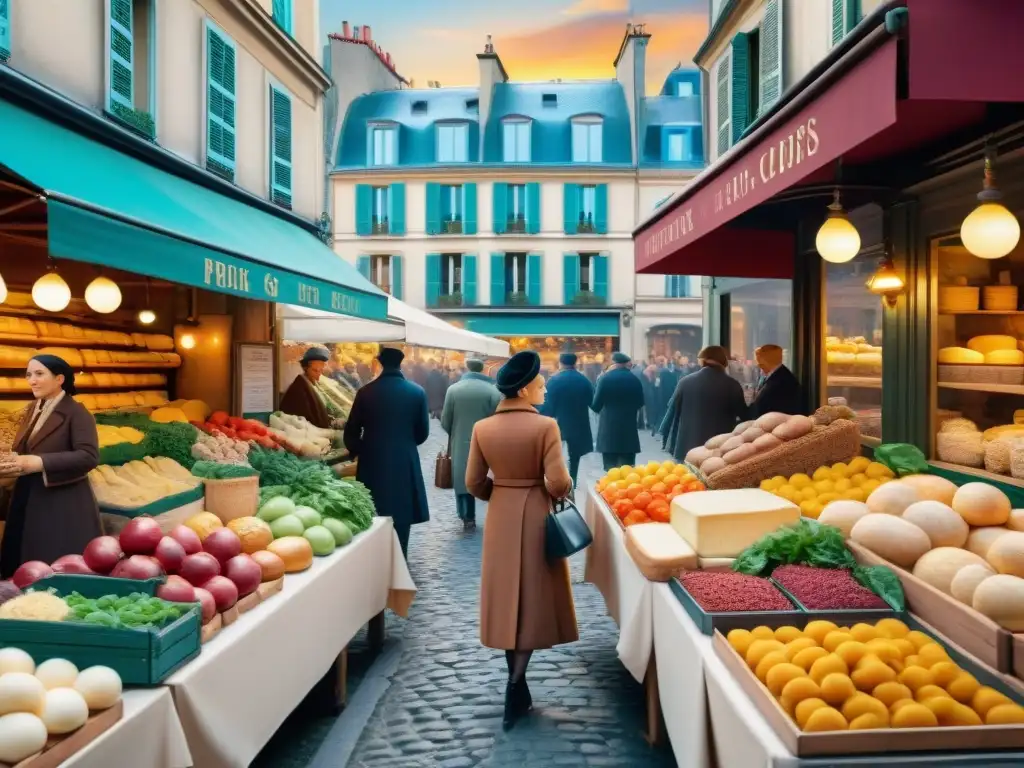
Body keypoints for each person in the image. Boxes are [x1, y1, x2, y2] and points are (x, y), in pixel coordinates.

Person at [465, 350, 576, 731]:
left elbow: (473, 482)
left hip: (500, 513)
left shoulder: (483, 428)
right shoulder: (546, 427)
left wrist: (499, 492)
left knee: (506, 597)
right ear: (527, 388)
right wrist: (557, 488)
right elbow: (558, 482)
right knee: (530, 597)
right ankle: (516, 683)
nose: (544, 391)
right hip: (535, 512)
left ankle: (517, 681)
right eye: (541, 385)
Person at [0, 355, 101, 578]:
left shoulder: (77, 413)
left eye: (39, 374)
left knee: (53, 565)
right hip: (27, 494)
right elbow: (28, 447)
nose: (32, 381)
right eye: (28, 375)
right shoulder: (33, 409)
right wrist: (12, 459)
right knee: (22, 561)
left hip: (61, 502)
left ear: (59, 379)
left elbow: (89, 456)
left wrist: (40, 462)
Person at [343, 347, 430, 559]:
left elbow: (351, 430)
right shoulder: (417, 392)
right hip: (404, 458)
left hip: (373, 459)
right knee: (402, 511)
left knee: (374, 508)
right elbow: (423, 432)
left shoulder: (365, 392)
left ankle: (376, 558)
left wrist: (362, 448)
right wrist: (405, 444)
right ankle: (400, 556)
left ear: (380, 363)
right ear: (401, 363)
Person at [441, 359, 500, 532]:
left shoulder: (453, 390)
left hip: (461, 441)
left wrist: (456, 432)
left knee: (462, 478)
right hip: (487, 441)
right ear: (482, 370)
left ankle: (467, 515)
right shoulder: (492, 390)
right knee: (486, 475)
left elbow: (445, 421)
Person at [670, 345, 749, 460]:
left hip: (688, 449)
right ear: (724, 362)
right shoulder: (732, 385)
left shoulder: (685, 382)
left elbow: (673, 409)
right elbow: (744, 415)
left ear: (703, 361)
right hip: (718, 450)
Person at [540, 353, 594, 490]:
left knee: (555, 453)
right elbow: (592, 402)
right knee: (574, 456)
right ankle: (572, 479)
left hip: (558, 422)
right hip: (579, 422)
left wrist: (543, 415)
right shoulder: (583, 380)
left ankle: (556, 479)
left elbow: (548, 403)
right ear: (575, 363)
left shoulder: (554, 380)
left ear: (561, 363)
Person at [591, 352, 645, 471]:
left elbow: (595, 406)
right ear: (626, 364)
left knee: (610, 471)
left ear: (613, 363)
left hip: (608, 432)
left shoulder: (604, 379)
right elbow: (640, 403)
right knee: (628, 471)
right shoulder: (634, 379)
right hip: (628, 432)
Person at [279, 347, 342, 429]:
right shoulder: (299, 388)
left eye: (320, 370)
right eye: (315, 370)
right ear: (305, 368)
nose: (318, 374)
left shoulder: (317, 384)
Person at [750, 344, 804, 418]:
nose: (758, 365)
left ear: (767, 360)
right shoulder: (777, 375)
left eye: (760, 363)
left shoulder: (782, 381)